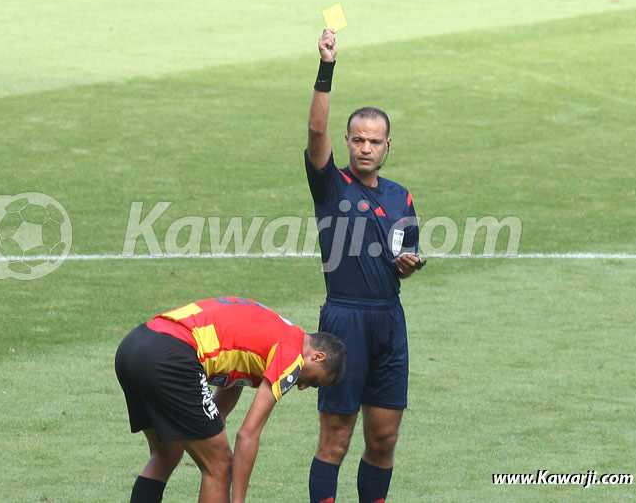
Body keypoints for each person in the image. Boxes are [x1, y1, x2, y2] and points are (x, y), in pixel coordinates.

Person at [304, 28, 423, 503]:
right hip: (344, 320)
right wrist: (327, 66)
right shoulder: (330, 185)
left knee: (383, 440)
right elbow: (316, 132)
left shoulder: (402, 197)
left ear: (388, 144)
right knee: (335, 439)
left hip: (389, 320)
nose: (365, 148)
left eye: (374, 141)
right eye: (357, 139)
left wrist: (407, 266)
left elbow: (400, 257)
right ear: (348, 143)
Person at [115, 296, 347, 503]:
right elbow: (248, 433)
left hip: (135, 346)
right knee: (219, 466)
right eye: (314, 381)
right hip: (171, 356)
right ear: (317, 357)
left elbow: (225, 398)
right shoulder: (292, 356)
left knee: (167, 454)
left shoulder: (275, 327)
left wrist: (214, 425)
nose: (302, 386)